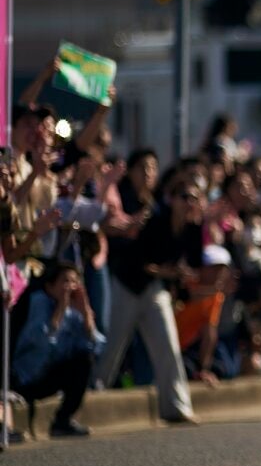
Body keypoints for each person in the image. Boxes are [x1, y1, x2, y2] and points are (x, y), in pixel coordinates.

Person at [94, 177, 202, 424]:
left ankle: (177, 407)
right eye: (184, 197)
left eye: (194, 198)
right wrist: (169, 272)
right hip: (128, 286)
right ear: (172, 200)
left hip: (154, 290)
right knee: (114, 346)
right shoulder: (156, 222)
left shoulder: (193, 228)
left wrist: (178, 273)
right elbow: (139, 263)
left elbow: (191, 263)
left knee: (168, 347)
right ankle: (91, 396)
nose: (189, 203)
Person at [10, 261, 105, 438]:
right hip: (24, 377)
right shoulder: (38, 301)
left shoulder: (74, 310)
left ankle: (62, 421)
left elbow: (96, 348)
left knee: (83, 362)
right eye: (65, 281)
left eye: (74, 282)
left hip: (49, 376)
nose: (70, 287)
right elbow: (39, 343)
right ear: (50, 285)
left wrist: (86, 317)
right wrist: (59, 310)